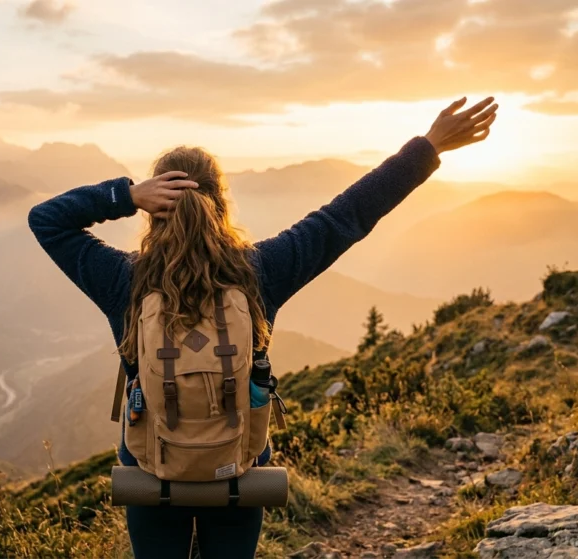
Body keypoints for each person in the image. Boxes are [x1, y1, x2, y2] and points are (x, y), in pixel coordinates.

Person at [28, 96, 498, 558]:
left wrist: (125, 195)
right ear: (221, 203)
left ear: (155, 208)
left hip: (151, 468)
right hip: (237, 464)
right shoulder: (259, 272)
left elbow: (46, 220)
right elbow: (346, 215)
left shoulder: (124, 280)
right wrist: (429, 146)